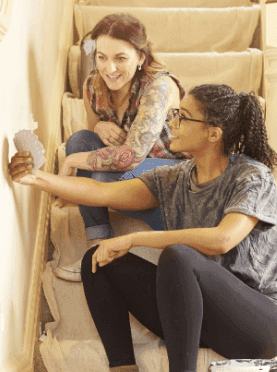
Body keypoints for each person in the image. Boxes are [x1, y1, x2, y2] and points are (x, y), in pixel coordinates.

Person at [8, 84, 277, 372]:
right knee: (99, 260)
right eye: (174, 114)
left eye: (182, 117)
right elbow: (100, 191)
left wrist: (135, 238)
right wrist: (36, 177)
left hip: (262, 324)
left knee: (179, 256)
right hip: (198, 317)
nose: (171, 123)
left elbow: (222, 240)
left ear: (214, 133)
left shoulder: (252, 176)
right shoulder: (173, 177)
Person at [56, 13, 190, 281]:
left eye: (120, 58)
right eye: (102, 57)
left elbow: (131, 157)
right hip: (132, 172)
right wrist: (97, 127)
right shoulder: (93, 85)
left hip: (171, 173)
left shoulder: (158, 87)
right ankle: (97, 243)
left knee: (102, 176)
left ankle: (161, 237)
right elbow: (90, 129)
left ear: (141, 57)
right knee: (78, 141)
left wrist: (70, 164)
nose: (110, 69)